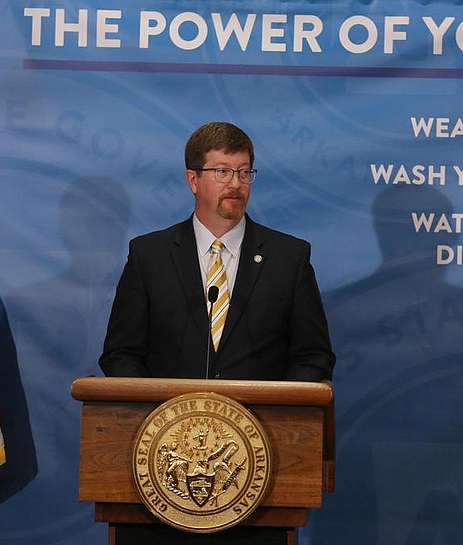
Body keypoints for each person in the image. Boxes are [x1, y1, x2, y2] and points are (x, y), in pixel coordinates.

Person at [98, 121, 335, 544]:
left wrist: (275, 415)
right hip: (161, 472)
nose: (236, 184)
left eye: (245, 172)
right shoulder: (149, 255)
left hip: (257, 473)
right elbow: (121, 354)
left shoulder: (289, 257)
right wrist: (163, 421)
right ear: (193, 179)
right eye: (222, 171)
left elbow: (313, 356)